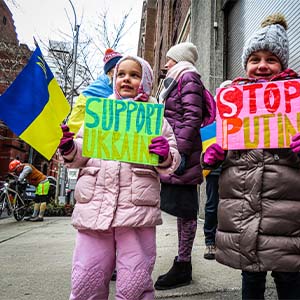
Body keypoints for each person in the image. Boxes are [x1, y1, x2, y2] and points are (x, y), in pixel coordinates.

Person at [58, 55, 181, 300]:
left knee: (134, 279)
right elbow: (82, 151)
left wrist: (165, 156)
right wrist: (70, 149)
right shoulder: (99, 113)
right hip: (95, 206)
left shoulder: (154, 118)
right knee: (86, 277)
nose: (126, 79)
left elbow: (172, 155)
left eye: (134, 75)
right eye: (121, 74)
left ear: (144, 82)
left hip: (136, 212)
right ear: (114, 80)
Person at [201, 14, 300, 299]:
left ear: (283, 64)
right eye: (255, 59)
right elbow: (209, 156)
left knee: (290, 279)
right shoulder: (231, 102)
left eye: (271, 59)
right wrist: (212, 157)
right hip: (245, 212)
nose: (262, 66)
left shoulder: (296, 100)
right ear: (245, 64)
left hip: (287, 219)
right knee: (251, 278)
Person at [154, 42, 212, 290]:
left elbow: (191, 117)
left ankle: (183, 265)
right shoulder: (176, 80)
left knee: (186, 211)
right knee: (181, 211)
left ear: (179, 60)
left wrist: (182, 154)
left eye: (169, 59)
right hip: (175, 151)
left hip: (182, 154)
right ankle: (181, 263)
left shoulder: (187, 77)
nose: (166, 64)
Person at [202, 79, 232, 260]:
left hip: (234, 167)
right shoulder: (212, 118)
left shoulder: (243, 116)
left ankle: (226, 242)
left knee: (231, 205)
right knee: (212, 205)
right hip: (214, 168)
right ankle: (210, 241)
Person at [67, 48, 122, 134]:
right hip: (85, 106)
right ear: (110, 72)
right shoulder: (107, 83)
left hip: (89, 106)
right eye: (119, 68)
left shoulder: (110, 80)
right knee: (75, 135)